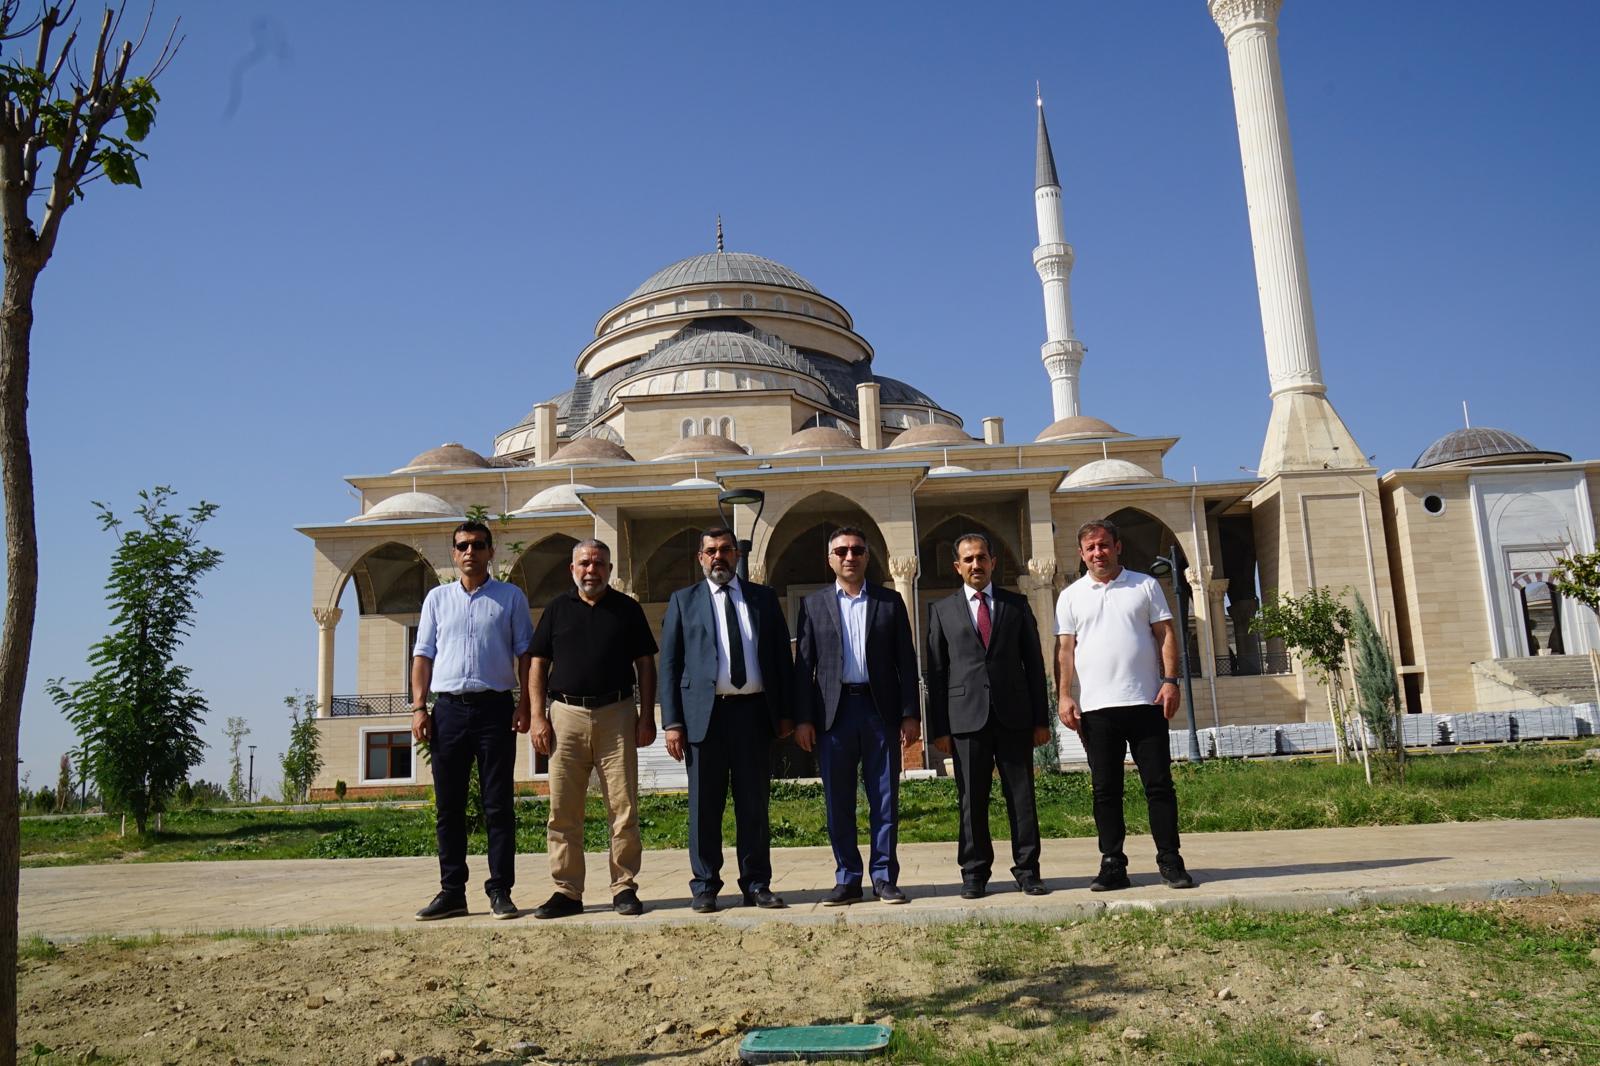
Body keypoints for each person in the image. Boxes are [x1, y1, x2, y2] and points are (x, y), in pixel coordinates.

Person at [1055, 518, 1196, 891]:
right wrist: (1065, 694)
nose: (1098, 553)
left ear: (1117, 547)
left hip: (1146, 702)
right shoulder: (1070, 596)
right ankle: (1113, 864)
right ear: (1082, 555)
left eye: (1104, 545)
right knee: (1105, 790)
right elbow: (1065, 649)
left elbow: (1165, 633)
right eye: (1090, 548)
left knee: (1159, 786)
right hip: (1098, 710)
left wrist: (1170, 681)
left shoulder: (1145, 586)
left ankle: (1170, 860)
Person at [659, 526, 795, 913]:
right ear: (700, 558)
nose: (718, 557)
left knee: (754, 804)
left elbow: (781, 663)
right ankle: (705, 884)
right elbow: (668, 666)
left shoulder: (763, 599)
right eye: (711, 551)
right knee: (705, 806)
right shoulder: (684, 601)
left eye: (726, 550)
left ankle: (757, 882)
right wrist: (672, 723)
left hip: (753, 714)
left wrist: (785, 713)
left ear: (737, 555)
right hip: (706, 717)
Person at [526, 539, 658, 919]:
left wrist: (645, 716)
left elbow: (645, 666)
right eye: (584, 563)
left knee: (623, 807)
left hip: (617, 713)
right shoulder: (556, 610)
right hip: (565, 715)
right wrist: (538, 717)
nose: (591, 570)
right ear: (572, 569)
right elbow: (537, 664)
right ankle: (567, 891)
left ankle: (624, 887)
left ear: (610, 569)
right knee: (563, 809)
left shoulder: (627, 610)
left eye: (599, 563)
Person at [410, 519, 533, 920]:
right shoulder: (436, 600)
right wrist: (418, 707)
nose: (470, 552)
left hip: (494, 709)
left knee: (498, 805)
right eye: (462, 545)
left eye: (478, 545)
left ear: (490, 552)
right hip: (447, 712)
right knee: (449, 806)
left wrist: (526, 704)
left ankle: (500, 889)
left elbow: (526, 655)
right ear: (453, 552)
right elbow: (423, 655)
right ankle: (452, 891)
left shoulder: (510, 597)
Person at [793, 527, 921, 905]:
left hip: (879, 711)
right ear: (830, 558)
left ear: (867, 556)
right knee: (838, 799)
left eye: (857, 550)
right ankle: (847, 877)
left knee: (884, 798)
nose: (850, 556)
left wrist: (910, 714)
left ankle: (883, 877)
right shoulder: (814, 605)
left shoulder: (890, 602)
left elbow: (906, 661)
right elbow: (804, 667)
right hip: (834, 714)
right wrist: (803, 719)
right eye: (842, 551)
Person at [924, 532, 1052, 899]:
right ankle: (974, 872)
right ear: (957, 567)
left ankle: (1028, 870)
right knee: (971, 799)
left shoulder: (1016, 605)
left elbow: (1034, 664)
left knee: (1022, 796)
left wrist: (1040, 720)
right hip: (965, 720)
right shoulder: (942, 610)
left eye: (982, 558)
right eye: (968, 559)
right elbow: (936, 672)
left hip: (1014, 716)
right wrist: (939, 729)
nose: (976, 565)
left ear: (993, 562)